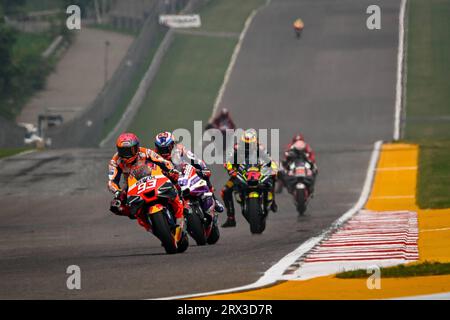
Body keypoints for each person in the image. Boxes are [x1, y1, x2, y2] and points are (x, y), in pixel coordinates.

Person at [108, 132, 185, 231]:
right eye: (124, 151)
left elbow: (162, 161)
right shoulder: (115, 161)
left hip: (152, 176)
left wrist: (171, 170)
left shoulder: (145, 152)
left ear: (137, 147)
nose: (128, 154)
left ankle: (180, 211)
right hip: (131, 184)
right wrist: (117, 191)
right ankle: (148, 225)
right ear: (118, 150)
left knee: (174, 179)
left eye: (131, 150)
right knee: (116, 206)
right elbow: (111, 181)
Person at [154, 131, 224, 213]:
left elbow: (195, 159)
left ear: (173, 144)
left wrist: (203, 168)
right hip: (167, 179)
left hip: (183, 172)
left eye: (167, 148)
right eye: (161, 149)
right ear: (157, 147)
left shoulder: (180, 149)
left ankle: (214, 199)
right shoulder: (154, 156)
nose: (165, 152)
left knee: (205, 175)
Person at [221, 129, 279, 228]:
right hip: (240, 174)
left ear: (255, 142)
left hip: (258, 173)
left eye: (250, 144)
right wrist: (231, 170)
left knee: (272, 178)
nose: (248, 147)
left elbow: (270, 160)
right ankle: (231, 218)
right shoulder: (236, 149)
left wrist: (274, 169)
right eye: (246, 144)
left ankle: (273, 201)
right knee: (225, 191)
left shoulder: (260, 148)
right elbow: (228, 162)